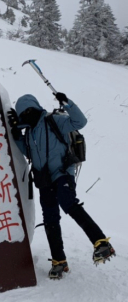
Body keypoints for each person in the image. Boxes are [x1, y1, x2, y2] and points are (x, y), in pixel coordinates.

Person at [7, 92, 115, 279]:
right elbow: (27, 152)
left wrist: (68, 104)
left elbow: (80, 122)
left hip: (63, 172)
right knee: (50, 218)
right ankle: (59, 261)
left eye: (30, 111)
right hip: (43, 179)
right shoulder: (29, 132)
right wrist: (17, 135)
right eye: (23, 114)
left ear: (37, 107)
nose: (27, 115)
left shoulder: (54, 120)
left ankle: (101, 242)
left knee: (68, 203)